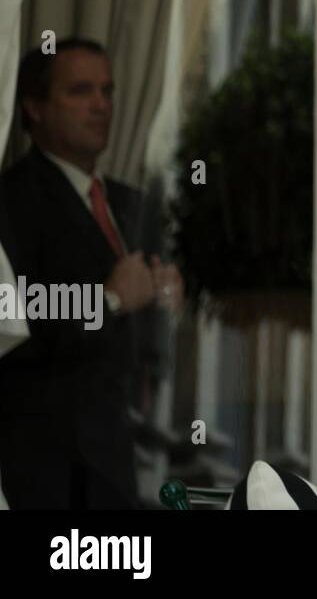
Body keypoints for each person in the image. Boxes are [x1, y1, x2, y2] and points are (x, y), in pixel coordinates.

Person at [0, 37, 183, 509]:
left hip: (122, 457)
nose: (101, 105)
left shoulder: (129, 203)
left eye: (107, 91)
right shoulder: (13, 201)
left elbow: (143, 324)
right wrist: (108, 301)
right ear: (33, 107)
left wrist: (166, 298)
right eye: (80, 91)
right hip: (45, 472)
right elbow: (15, 317)